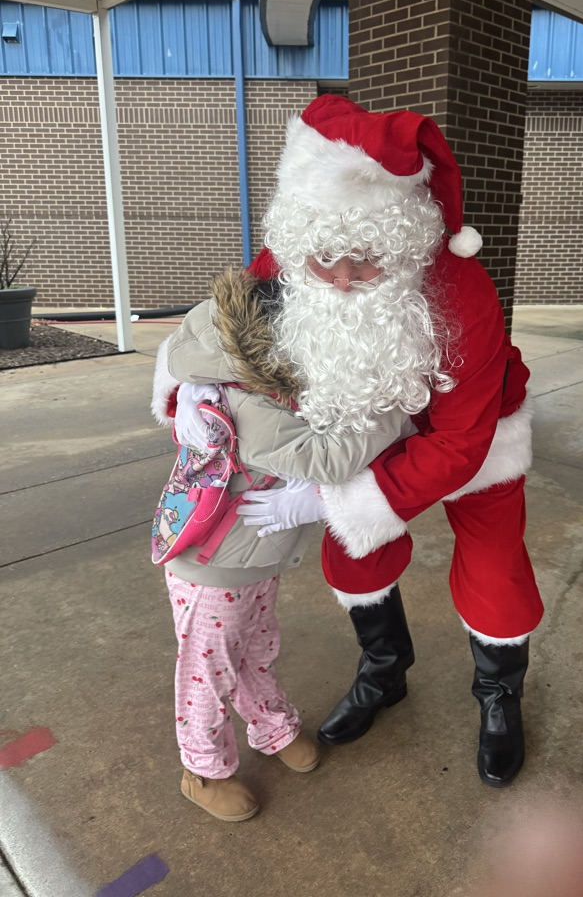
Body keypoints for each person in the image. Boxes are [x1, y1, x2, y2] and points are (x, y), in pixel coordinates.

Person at [237, 93, 545, 788]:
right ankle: (385, 672)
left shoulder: (463, 293)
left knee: (496, 570)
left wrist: (338, 497)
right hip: (363, 428)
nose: (342, 280)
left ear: (403, 243)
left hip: (475, 434)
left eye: (367, 260)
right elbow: (224, 332)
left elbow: (459, 444)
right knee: (354, 557)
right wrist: (190, 388)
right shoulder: (285, 260)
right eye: (325, 261)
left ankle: (499, 696)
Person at [150, 267, 414, 821]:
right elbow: (327, 457)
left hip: (252, 556)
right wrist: (394, 404)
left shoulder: (250, 377)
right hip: (215, 567)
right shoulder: (249, 403)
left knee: (257, 651)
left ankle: (272, 729)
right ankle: (202, 770)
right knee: (208, 672)